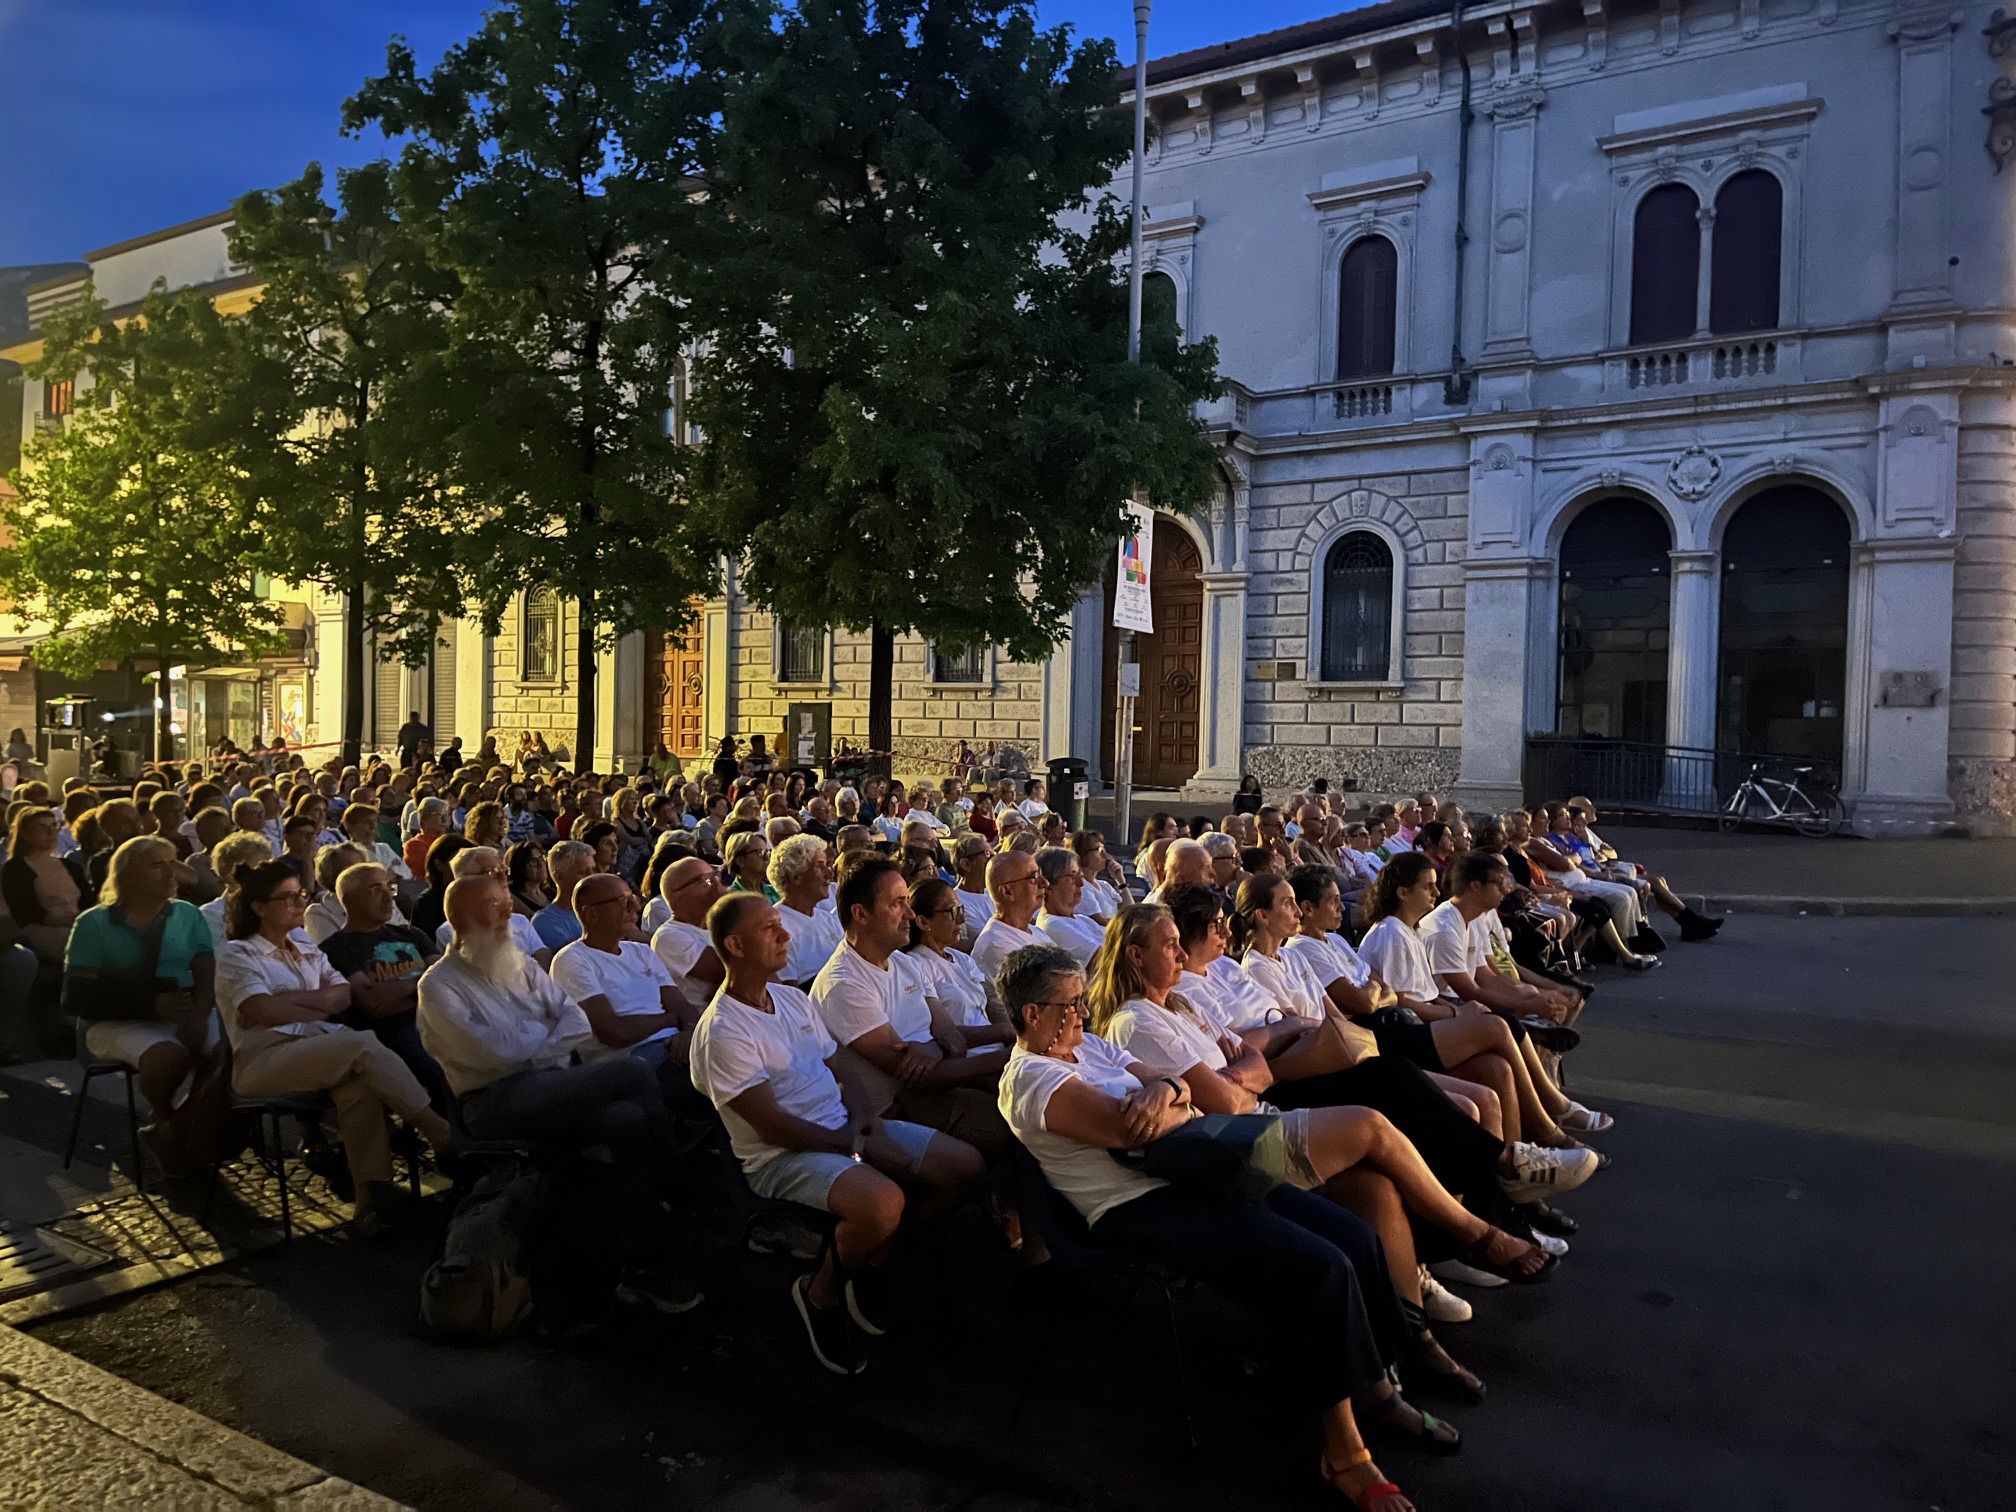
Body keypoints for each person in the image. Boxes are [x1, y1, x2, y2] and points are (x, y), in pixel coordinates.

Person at [998, 943, 1531, 1512]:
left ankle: (1377, 1386)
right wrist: (1174, 1099)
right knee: (1320, 1268)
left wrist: (1168, 1091)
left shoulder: (1088, 1047)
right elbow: (1132, 1133)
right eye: (1072, 1004)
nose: (1084, 1012)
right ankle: (1344, 1452)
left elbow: (1173, 1088)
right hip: (1140, 1207)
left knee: (1355, 1236)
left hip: (1196, 1171)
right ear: (1033, 1013)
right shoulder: (1030, 1080)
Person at [690, 891, 984, 1375]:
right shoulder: (724, 1031)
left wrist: (866, 1116)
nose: (785, 934)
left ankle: (871, 1253)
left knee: (965, 1168)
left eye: (780, 923)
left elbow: (839, 1064)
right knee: (883, 1201)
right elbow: (774, 1127)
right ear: (735, 947)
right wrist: (860, 1146)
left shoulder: (789, 998)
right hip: (782, 1157)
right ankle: (820, 1293)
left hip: (842, 1130)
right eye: (768, 929)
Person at [417, 875, 698, 1314]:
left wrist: (529, 1040)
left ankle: (641, 1258)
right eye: (493, 907)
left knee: (627, 1119)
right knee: (629, 1070)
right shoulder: (439, 985)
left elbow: (574, 1023)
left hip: (551, 1086)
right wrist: (542, 1035)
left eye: (506, 904)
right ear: (460, 918)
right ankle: (676, 1186)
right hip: (493, 1103)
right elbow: (494, 1054)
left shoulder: (520, 966)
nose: (508, 914)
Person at [215, 860, 453, 1234]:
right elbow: (261, 1009)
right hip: (265, 1058)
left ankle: (368, 1202)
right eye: (288, 897)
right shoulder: (238, 955)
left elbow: (341, 996)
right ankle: (439, 1132)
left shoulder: (304, 944)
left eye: (300, 894)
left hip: (322, 1048)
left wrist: (293, 1002)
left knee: (359, 1088)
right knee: (362, 1045)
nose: (300, 902)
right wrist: (315, 1002)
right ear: (259, 908)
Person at [1357, 854, 1597, 1160]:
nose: (1436, 892)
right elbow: (1402, 1002)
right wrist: (1458, 1013)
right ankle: (1550, 1116)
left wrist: (1471, 1008)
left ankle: (1520, 1156)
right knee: (1498, 1025)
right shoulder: (1392, 934)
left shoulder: (1408, 930)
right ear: (1403, 893)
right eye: (1428, 886)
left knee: (1496, 1067)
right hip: (1403, 1031)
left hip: (1427, 1017)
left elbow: (1434, 991)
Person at [811, 857, 1011, 1165]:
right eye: (897, 904)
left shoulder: (904, 963)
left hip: (939, 1085)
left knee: (1032, 1101)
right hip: (897, 1109)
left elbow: (953, 1038)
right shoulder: (843, 984)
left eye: (907, 902)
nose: (910, 914)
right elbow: (915, 1078)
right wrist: (1006, 1057)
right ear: (861, 914)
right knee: (1014, 1128)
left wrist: (932, 1048)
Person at [61, 836, 222, 1148]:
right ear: (127, 875)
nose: (170, 874)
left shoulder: (187, 914)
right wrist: (149, 1005)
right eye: (156, 865)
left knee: (227, 1053)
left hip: (185, 1010)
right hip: (115, 1021)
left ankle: (179, 1124)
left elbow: (206, 970)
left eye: (172, 864)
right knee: (169, 1058)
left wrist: (200, 1014)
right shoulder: (94, 923)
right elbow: (75, 996)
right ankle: (168, 1120)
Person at [550, 873, 698, 1106]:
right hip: (627, 1063)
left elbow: (682, 1006)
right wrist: (670, 1020)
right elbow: (614, 1033)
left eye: (633, 898)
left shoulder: (642, 952)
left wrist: (688, 1031)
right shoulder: (572, 960)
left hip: (672, 1049)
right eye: (622, 901)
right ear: (591, 913)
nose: (635, 907)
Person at [320, 863, 449, 1111]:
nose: (388, 896)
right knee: (440, 1069)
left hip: (437, 1017)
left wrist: (403, 988)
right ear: (349, 900)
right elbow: (374, 1003)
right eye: (375, 889)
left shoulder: (411, 934)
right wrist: (424, 984)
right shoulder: (335, 948)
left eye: (389, 887)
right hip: (392, 1031)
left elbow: (445, 980)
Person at [903, 877, 1011, 1052]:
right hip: (970, 1057)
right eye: (952, 911)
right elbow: (940, 1034)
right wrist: (1004, 1032)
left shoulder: (962, 959)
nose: (961, 919)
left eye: (961, 909)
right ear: (923, 922)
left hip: (998, 1048)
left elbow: (988, 1010)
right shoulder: (915, 966)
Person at [3, 807, 87, 964]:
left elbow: (88, 900)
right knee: (78, 941)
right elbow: (24, 911)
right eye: (42, 828)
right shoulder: (16, 868)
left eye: (54, 826)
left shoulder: (71, 866)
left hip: (78, 924)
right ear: (26, 834)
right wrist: (65, 921)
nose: (51, 832)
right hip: (40, 930)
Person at [650, 855, 730, 1008]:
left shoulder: (725, 924)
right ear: (677, 894)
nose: (716, 883)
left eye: (714, 875)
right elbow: (722, 969)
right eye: (704, 880)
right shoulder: (668, 936)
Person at [771, 833, 844, 987]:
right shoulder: (777, 928)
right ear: (796, 877)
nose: (829, 874)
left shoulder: (829, 920)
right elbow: (789, 992)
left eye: (827, 865)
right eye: (819, 867)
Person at [969, 849, 1044, 985]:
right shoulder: (997, 946)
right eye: (1033, 877)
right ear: (1007, 892)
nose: (1045, 883)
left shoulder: (1035, 931)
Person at [1031, 845, 1102, 967]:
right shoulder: (1053, 925)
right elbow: (1106, 959)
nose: (1081, 883)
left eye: (1080, 876)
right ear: (1047, 885)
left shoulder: (1083, 920)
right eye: (1072, 877)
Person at [533, 839, 598, 952]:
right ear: (559, 877)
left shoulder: (602, 909)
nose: (591, 877)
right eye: (583, 872)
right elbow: (575, 955)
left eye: (593, 870)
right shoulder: (545, 920)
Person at [404, 798, 450, 879]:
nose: (444, 820)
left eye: (446, 815)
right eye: (440, 815)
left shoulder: (451, 841)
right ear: (424, 818)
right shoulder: (414, 845)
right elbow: (432, 870)